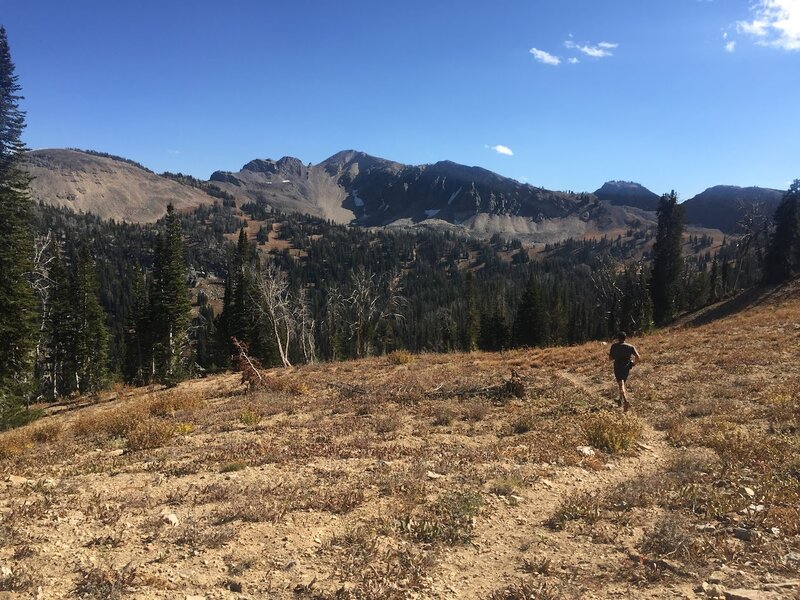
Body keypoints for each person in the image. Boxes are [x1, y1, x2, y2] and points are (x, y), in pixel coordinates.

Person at [609, 331, 640, 412]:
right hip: (627, 366)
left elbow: (610, 359)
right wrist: (633, 364)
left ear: (618, 338)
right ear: (625, 338)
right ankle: (620, 400)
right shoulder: (630, 346)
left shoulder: (614, 346)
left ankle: (626, 401)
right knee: (622, 383)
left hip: (618, 366)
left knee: (621, 384)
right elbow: (638, 356)